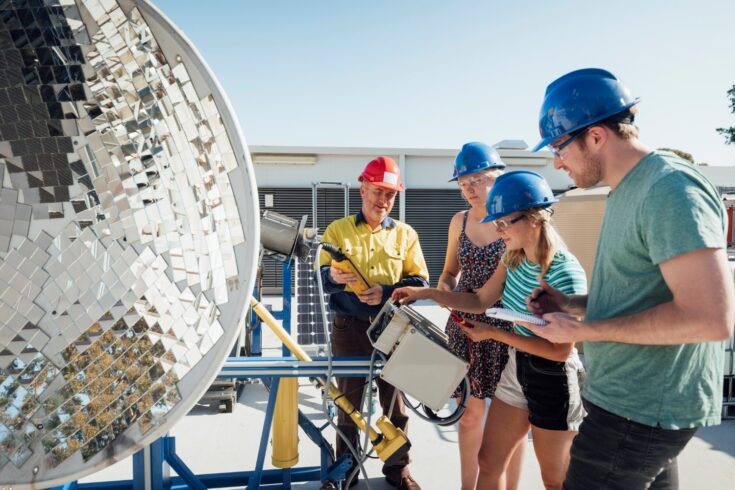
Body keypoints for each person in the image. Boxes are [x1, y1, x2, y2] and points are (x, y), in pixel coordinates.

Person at [523, 68, 735, 490]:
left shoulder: (670, 189)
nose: (556, 161)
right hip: (626, 403)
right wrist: (571, 304)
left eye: (560, 146)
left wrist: (587, 329)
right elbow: (638, 294)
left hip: (640, 411)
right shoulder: (627, 188)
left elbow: (711, 317)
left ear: (597, 137)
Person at [394, 170, 587, 490]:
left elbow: (560, 350)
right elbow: (481, 300)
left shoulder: (565, 271)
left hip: (554, 379)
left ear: (534, 219)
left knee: (554, 479)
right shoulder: (512, 258)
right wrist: (426, 293)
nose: (497, 229)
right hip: (516, 368)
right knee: (489, 460)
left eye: (504, 222)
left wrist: (494, 333)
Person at [318, 156, 429, 490]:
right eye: (378, 191)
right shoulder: (337, 230)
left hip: (391, 326)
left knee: (395, 402)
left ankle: (399, 471)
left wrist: (387, 291)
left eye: (390, 195)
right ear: (362, 188)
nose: (383, 200)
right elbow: (323, 277)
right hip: (349, 328)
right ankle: (347, 473)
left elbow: (419, 279)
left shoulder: (406, 235)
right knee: (348, 404)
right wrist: (335, 276)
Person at [438, 142, 525, 490]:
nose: (470, 189)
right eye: (463, 183)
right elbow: (447, 273)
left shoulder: (516, 220)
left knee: (514, 422)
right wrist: (446, 293)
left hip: (509, 330)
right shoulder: (458, 222)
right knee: (469, 415)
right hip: (465, 329)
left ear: (497, 178)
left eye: (477, 180)